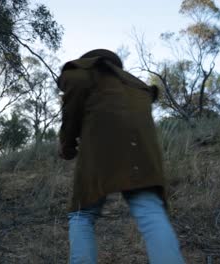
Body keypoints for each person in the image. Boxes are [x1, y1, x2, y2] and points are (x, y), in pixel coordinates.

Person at [57, 49, 185, 264]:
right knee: (150, 211)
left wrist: (67, 146)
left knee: (82, 215)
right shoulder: (136, 84)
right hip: (143, 151)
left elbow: (71, 114)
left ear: (89, 60)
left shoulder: (81, 72)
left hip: (101, 149)